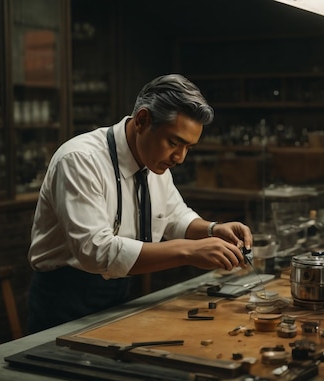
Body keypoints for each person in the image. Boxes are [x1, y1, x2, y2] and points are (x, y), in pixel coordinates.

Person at [27, 74, 253, 333]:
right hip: (65, 298)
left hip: (118, 294)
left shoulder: (155, 162)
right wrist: (189, 251)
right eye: (174, 142)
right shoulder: (80, 160)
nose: (180, 158)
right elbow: (96, 251)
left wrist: (213, 229)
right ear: (143, 120)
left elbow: (174, 216)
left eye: (189, 147)